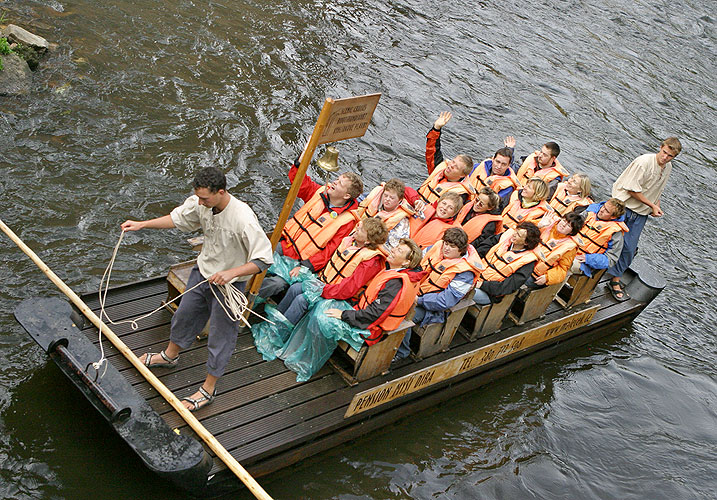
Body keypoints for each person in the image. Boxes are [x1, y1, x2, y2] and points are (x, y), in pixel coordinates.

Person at [121, 167, 273, 411]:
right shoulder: (201, 204)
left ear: (221, 192)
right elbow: (177, 219)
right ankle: (170, 356)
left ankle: (209, 389)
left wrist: (231, 273)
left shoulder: (243, 218)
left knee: (221, 335)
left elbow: (263, 259)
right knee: (185, 315)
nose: (200, 202)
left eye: (205, 198)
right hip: (202, 273)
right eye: (199, 197)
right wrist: (142, 225)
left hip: (229, 285)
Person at [260, 156, 364, 298]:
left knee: (276, 284)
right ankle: (237, 282)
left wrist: (304, 267)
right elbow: (300, 183)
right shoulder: (319, 192)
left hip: (301, 262)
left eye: (339, 183)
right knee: (260, 256)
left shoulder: (347, 222)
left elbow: (329, 251)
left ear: (346, 195)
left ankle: (246, 296)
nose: (334, 182)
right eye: (337, 179)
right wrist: (299, 164)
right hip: (287, 244)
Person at [607, 137, 681, 301]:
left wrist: (656, 205)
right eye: (664, 153)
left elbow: (658, 189)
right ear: (660, 148)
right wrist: (651, 205)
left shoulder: (667, 167)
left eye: (670, 156)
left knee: (629, 247)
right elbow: (632, 191)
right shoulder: (644, 162)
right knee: (606, 238)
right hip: (622, 207)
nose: (665, 158)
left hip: (640, 213)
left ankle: (615, 279)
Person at [277, 218, 388, 325]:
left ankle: (280, 332)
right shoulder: (349, 242)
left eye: (361, 230)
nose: (357, 229)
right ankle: (275, 320)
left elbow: (348, 289)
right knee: (295, 288)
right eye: (359, 226)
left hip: (338, 296)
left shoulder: (370, 262)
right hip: (323, 283)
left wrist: (322, 290)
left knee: (301, 300)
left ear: (368, 241)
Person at [395, 228, 482, 360]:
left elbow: (446, 301)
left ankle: (401, 352)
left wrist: (419, 300)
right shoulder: (437, 248)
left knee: (402, 317)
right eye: (446, 244)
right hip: (415, 292)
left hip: (432, 308)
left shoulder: (465, 273)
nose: (446, 248)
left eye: (452, 247)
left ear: (461, 250)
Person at [325, 238, 423, 344]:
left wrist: (344, 315)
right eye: (396, 247)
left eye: (399, 251)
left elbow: (375, 313)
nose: (393, 250)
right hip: (362, 312)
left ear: (406, 262)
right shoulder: (396, 272)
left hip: (371, 329)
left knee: (322, 319)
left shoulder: (396, 283)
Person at [473, 222, 541, 305]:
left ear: (526, 242)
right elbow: (481, 251)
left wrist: (482, 284)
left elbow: (509, 286)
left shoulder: (528, 263)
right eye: (516, 231)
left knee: (463, 290)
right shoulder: (503, 238)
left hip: (489, 292)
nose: (514, 235)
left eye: (519, 235)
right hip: (474, 276)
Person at [417, 111, 476, 205]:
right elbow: (432, 150)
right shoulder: (440, 168)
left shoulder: (460, 194)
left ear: (462, 175)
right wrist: (436, 128)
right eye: (453, 162)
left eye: (456, 167)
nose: (450, 166)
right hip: (415, 203)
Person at [572, 198, 628, 280]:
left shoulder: (616, 233)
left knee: (566, 265)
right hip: (569, 248)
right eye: (603, 207)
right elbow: (571, 224)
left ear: (613, 217)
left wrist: (588, 259)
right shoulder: (589, 213)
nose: (601, 210)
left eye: (607, 211)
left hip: (585, 263)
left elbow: (611, 259)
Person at [528, 211, 584, 288]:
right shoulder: (547, 223)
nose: (563, 225)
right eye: (564, 220)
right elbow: (521, 229)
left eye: (568, 225)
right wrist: (538, 225)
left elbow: (562, 269)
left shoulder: (570, 247)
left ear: (571, 232)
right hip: (523, 260)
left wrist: (547, 277)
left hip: (535, 274)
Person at [357, 178, 413, 250]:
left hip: (371, 247)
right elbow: (357, 201)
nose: (387, 199)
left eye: (392, 198)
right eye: (386, 195)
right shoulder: (376, 196)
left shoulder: (402, 222)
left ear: (400, 200)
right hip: (357, 231)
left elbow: (394, 247)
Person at [468, 140, 521, 208]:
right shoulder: (478, 167)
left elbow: (496, 207)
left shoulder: (507, 187)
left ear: (508, 165)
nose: (499, 166)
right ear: (493, 159)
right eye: (497, 162)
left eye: (503, 164)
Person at [455, 187, 503, 251]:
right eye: (477, 200)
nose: (477, 204)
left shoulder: (490, 225)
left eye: (481, 204)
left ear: (490, 208)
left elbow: (479, 243)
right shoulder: (467, 204)